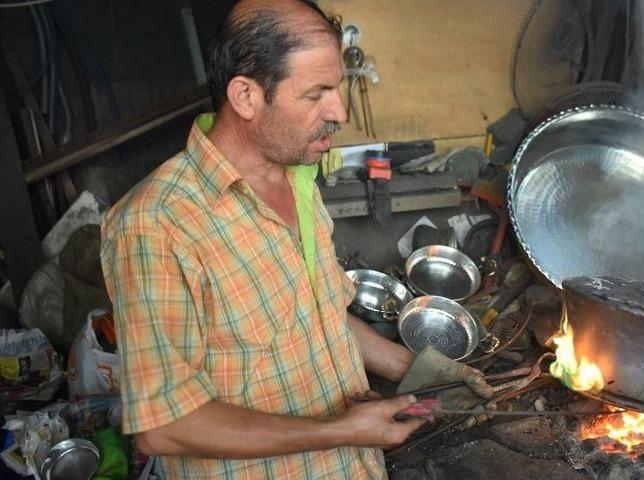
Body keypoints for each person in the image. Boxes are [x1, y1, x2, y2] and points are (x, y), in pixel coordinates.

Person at [100, 1, 443, 478]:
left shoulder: (299, 179)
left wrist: (419, 371)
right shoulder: (157, 223)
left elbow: (317, 314)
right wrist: (342, 430)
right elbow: (166, 426)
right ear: (245, 96)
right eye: (315, 94)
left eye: (338, 88)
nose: (339, 112)